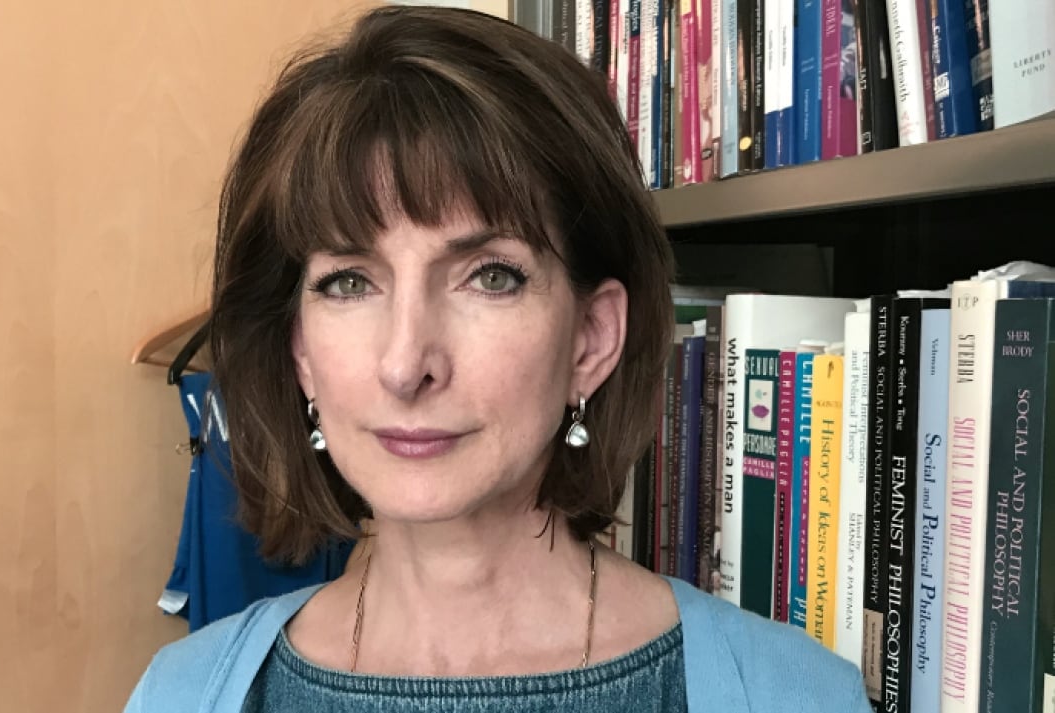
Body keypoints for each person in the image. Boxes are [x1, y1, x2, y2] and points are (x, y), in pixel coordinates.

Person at [124, 6, 869, 712]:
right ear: (301, 351)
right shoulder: (180, 694)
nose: (405, 365)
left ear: (591, 338)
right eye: (349, 282)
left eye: (489, 276)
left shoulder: (796, 696)